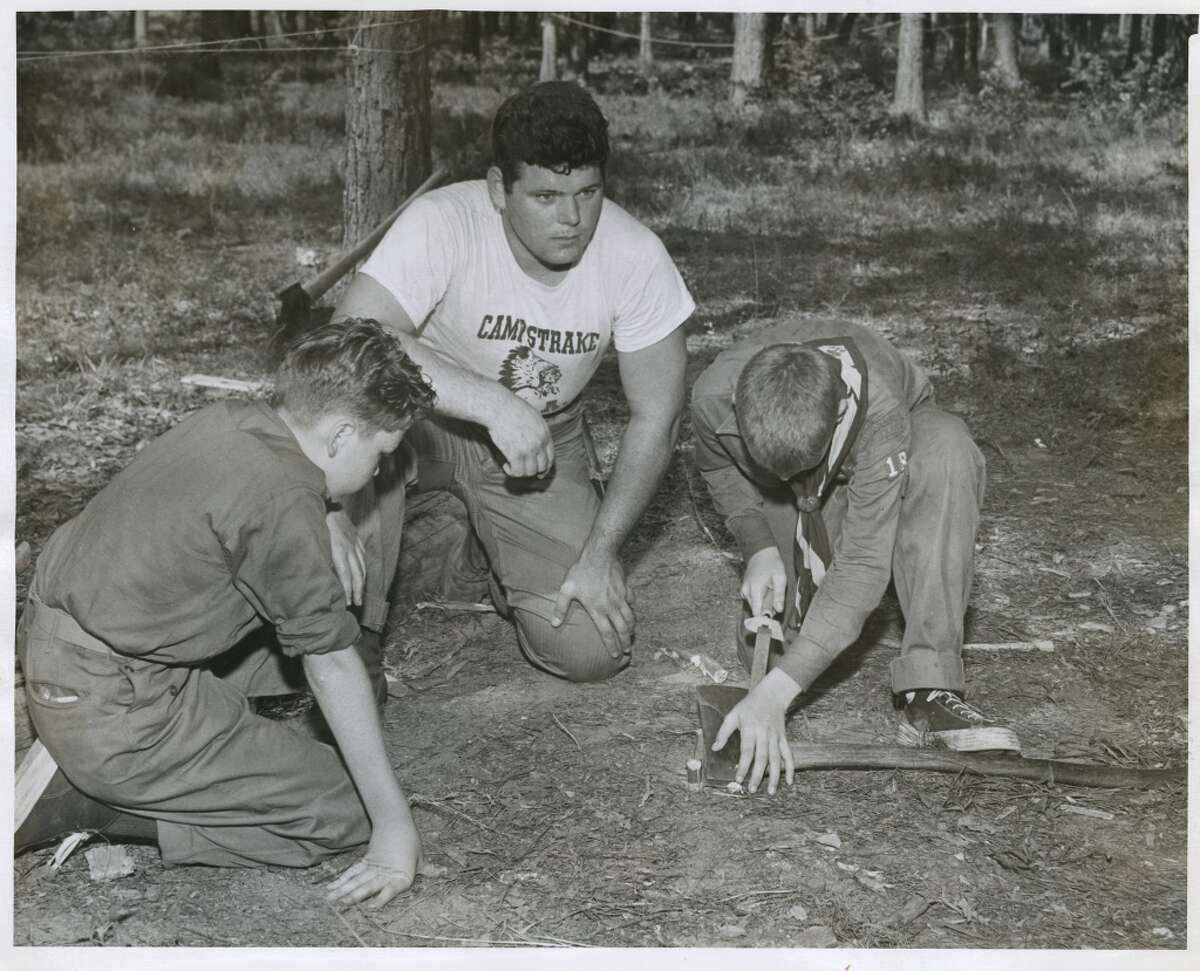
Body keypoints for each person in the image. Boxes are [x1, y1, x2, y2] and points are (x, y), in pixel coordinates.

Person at [16, 319, 435, 910]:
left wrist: (327, 507)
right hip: (115, 706)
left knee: (293, 637)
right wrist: (393, 830)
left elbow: (272, 494)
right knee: (340, 809)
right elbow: (330, 666)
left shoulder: (234, 419)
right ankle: (90, 805)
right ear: (341, 435)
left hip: (65, 646)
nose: (380, 473)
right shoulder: (283, 499)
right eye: (381, 454)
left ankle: (134, 759)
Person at [331, 81, 694, 684]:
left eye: (588, 192)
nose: (571, 218)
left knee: (590, 650)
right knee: (359, 420)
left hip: (545, 439)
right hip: (419, 423)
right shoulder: (443, 221)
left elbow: (659, 416)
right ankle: (354, 634)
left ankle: (484, 554)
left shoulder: (635, 254)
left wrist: (601, 554)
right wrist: (492, 402)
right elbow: (351, 336)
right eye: (546, 196)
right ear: (500, 188)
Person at [690, 317, 1020, 796]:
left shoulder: (879, 409)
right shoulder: (710, 397)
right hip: (791, 493)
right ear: (738, 406)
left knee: (947, 450)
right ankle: (806, 541)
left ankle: (931, 690)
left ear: (842, 407)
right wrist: (758, 543)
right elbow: (718, 467)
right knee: (783, 647)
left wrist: (778, 693)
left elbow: (863, 565)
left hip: (890, 452)